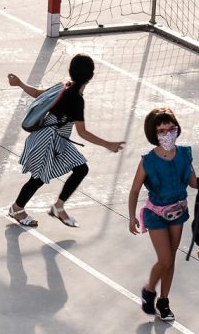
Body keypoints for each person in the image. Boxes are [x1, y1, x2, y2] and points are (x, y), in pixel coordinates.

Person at [7, 54, 125, 225]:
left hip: (56, 139)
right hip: (47, 140)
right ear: (90, 77)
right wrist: (108, 144)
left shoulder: (63, 86)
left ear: (71, 72)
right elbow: (82, 133)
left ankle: (58, 206)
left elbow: (37, 94)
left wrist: (19, 83)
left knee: (81, 168)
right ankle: (17, 209)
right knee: (38, 178)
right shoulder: (76, 100)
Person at [125, 109, 199, 322]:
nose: (167, 134)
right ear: (154, 134)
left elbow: (194, 182)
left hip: (178, 212)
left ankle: (163, 301)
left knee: (171, 261)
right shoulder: (147, 161)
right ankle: (149, 290)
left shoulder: (185, 154)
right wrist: (131, 216)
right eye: (161, 130)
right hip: (156, 215)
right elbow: (134, 190)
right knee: (165, 258)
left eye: (171, 129)